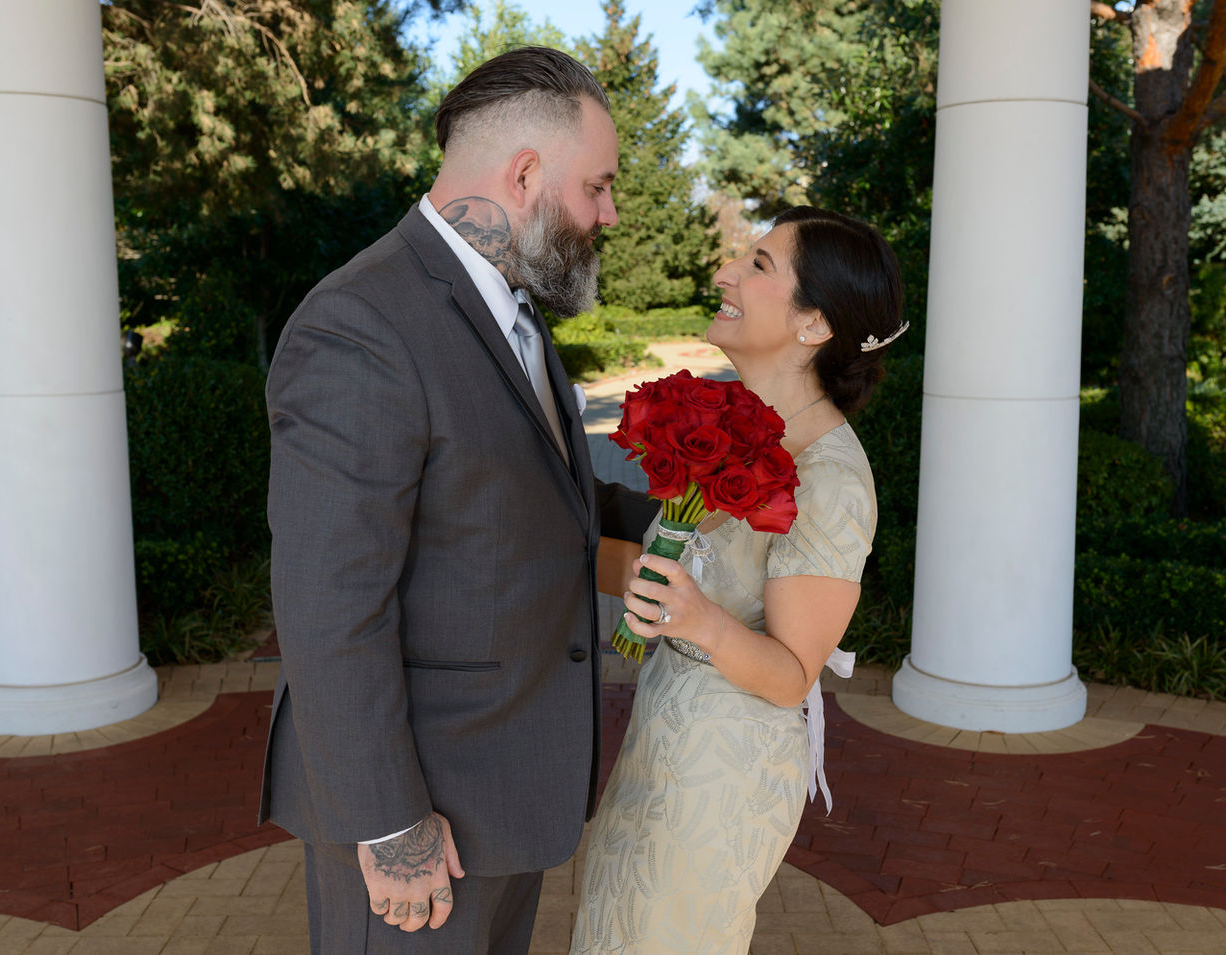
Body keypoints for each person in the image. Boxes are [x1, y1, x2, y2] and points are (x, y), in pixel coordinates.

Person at [259, 47, 654, 954]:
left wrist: (693, 520)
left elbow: (537, 495)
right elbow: (329, 603)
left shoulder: (508, 303)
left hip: (508, 790)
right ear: (524, 175)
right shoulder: (361, 323)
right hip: (419, 813)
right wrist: (391, 825)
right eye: (597, 186)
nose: (609, 213)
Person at [570, 206, 907, 953]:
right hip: (664, 727)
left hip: (722, 767)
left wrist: (699, 621)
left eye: (758, 265)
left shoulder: (832, 476)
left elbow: (791, 675)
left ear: (815, 324)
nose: (726, 273)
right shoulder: (740, 425)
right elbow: (676, 572)